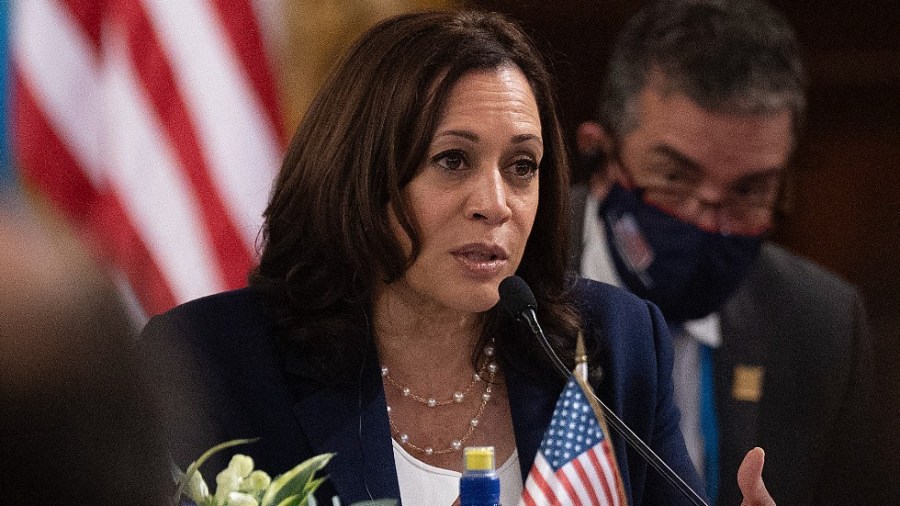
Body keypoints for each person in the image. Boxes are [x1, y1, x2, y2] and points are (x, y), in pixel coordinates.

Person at [140, 10, 774, 506]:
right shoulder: (211, 362)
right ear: (362, 176)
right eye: (453, 161)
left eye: (521, 167)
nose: (495, 204)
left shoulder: (614, 342)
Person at [570, 0, 880, 504]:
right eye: (674, 177)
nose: (707, 224)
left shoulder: (821, 325)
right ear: (599, 154)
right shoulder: (503, 277)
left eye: (749, 190)